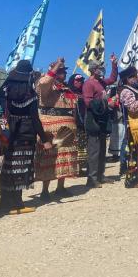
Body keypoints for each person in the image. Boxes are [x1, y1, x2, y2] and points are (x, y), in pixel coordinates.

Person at [0, 60, 51, 214]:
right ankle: (17, 204)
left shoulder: (7, 92)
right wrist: (45, 140)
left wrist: (12, 76)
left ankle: (4, 202)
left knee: (9, 166)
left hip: (10, 132)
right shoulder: (31, 95)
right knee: (21, 167)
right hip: (26, 134)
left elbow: (1, 92)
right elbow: (35, 119)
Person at [34, 58, 79, 201]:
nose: (63, 74)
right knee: (49, 158)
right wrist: (55, 67)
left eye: (64, 71)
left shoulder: (66, 88)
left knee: (65, 158)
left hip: (67, 129)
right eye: (60, 71)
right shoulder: (45, 86)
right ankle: (45, 191)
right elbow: (44, 82)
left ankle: (60, 187)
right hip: (51, 129)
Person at [82, 55, 118, 188]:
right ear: (93, 69)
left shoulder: (101, 82)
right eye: (99, 68)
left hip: (102, 119)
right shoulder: (88, 84)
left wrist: (114, 65)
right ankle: (91, 178)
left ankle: (100, 175)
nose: (102, 69)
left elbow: (113, 79)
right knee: (94, 150)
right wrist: (105, 101)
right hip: (93, 119)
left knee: (102, 148)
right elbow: (88, 102)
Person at [68, 73, 87, 174]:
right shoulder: (68, 92)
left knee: (82, 146)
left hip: (83, 124)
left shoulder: (84, 93)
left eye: (81, 81)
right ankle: (74, 168)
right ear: (72, 81)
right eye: (77, 80)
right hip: (72, 124)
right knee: (74, 145)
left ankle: (80, 167)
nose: (80, 82)